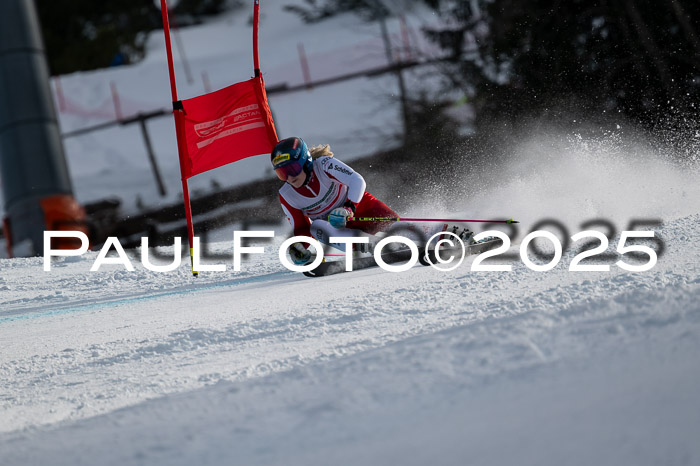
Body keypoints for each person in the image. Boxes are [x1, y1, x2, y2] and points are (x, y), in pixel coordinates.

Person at [271, 136, 399, 265]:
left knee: (402, 229)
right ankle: (371, 244)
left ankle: (407, 235)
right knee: (317, 227)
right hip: (341, 231)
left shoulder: (324, 164)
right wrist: (298, 248)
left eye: (292, 170)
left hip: (363, 210)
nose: (290, 178)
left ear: (305, 161)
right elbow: (302, 229)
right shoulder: (287, 195)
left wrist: (349, 208)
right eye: (282, 173)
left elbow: (357, 181)